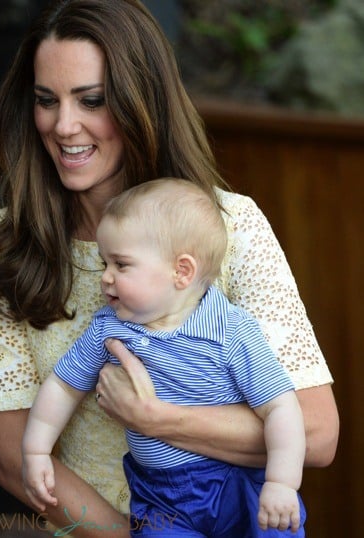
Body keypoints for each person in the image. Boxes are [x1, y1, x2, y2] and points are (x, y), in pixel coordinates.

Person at [0, 1, 338, 536]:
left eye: (91, 100)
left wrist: (153, 419)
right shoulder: (6, 244)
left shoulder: (231, 226)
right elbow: (12, 457)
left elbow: (318, 434)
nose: (63, 125)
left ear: (142, 101)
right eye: (46, 100)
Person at [22, 178, 306, 536]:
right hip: (162, 494)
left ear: (181, 271)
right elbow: (63, 387)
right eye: (104, 262)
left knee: (276, 529)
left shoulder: (231, 331)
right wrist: (36, 452)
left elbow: (280, 406)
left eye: (121, 265)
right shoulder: (109, 328)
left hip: (240, 482)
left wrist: (282, 483)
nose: (106, 277)